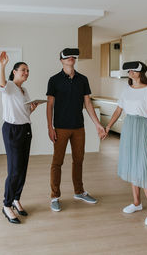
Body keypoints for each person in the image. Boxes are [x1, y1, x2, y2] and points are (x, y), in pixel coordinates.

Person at [46, 48, 106, 212]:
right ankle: (54, 196)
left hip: (78, 127)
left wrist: (98, 124)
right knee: (57, 162)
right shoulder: (54, 80)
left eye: (73, 56)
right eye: (67, 56)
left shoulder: (83, 79)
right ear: (61, 60)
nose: (71, 58)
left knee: (78, 160)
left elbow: (88, 104)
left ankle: (79, 191)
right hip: (60, 128)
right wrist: (50, 127)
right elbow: (50, 105)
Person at [105, 61, 147, 226]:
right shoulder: (126, 90)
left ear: (140, 72)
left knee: (143, 167)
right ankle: (136, 203)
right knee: (132, 165)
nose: (129, 72)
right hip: (128, 128)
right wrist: (108, 127)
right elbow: (118, 110)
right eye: (128, 70)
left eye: (132, 70)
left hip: (143, 128)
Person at [0, 51, 39, 224]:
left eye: (28, 70)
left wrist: (33, 107)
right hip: (12, 130)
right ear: (14, 72)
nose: (26, 73)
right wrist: (2, 65)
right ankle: (6, 204)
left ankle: (16, 198)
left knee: (22, 169)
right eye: (23, 70)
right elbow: (0, 83)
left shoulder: (24, 90)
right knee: (14, 169)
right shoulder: (8, 86)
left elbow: (26, 110)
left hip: (25, 129)